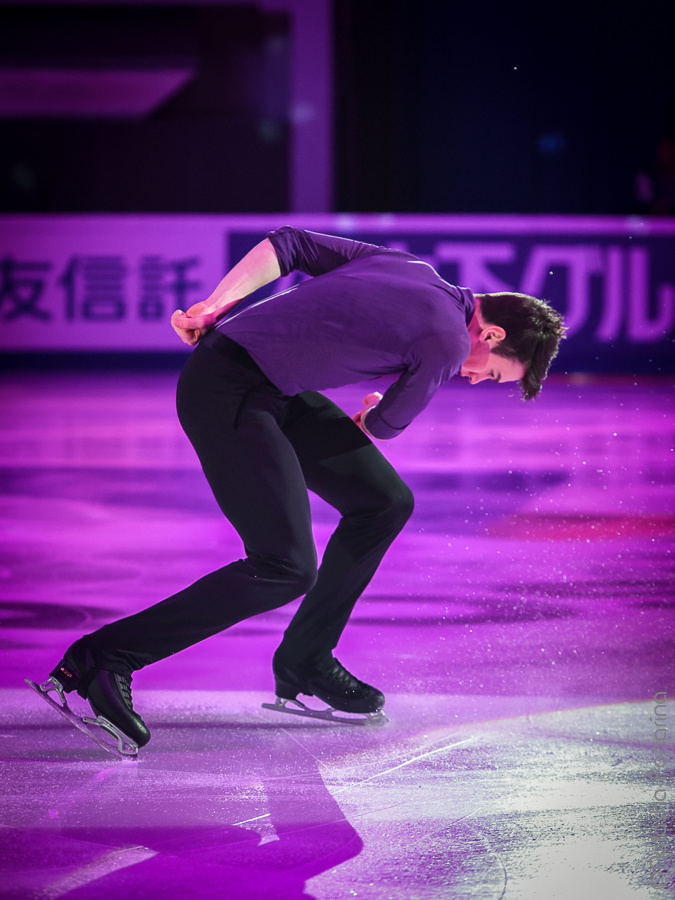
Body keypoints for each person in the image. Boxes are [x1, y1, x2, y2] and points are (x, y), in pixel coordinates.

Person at [38, 227, 566, 750]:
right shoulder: (449, 342)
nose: (475, 379)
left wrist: (215, 306)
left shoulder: (411, 268)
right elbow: (386, 425)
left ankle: (305, 659)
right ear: (491, 336)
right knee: (285, 567)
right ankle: (105, 657)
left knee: (384, 503)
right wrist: (373, 417)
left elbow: (289, 244)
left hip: (267, 388)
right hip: (227, 392)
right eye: (492, 374)